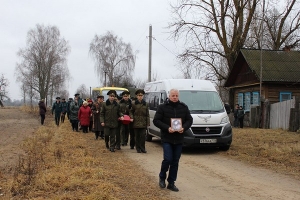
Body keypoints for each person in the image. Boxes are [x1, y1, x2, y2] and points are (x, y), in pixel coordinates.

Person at [153, 89, 193, 192]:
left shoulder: (183, 107)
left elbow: (189, 120)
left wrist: (184, 127)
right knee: (167, 159)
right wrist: (167, 128)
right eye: (173, 95)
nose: (174, 97)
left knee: (175, 162)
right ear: (169, 96)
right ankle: (162, 177)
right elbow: (156, 120)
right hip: (167, 138)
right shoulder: (162, 107)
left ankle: (171, 182)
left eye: (176, 95)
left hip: (179, 139)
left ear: (178, 96)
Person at [129, 89, 150, 153]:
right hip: (136, 122)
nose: (140, 97)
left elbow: (147, 114)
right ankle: (138, 148)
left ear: (143, 96)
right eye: (139, 95)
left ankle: (142, 148)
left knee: (143, 136)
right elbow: (131, 111)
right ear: (136, 96)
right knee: (137, 136)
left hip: (143, 122)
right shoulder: (134, 103)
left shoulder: (145, 104)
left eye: (141, 95)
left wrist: (148, 123)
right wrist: (132, 117)